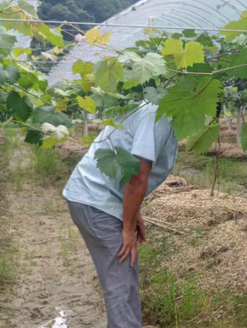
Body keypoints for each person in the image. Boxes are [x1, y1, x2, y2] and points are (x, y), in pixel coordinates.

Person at [62, 102, 177, 328]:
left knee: (123, 282)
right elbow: (137, 176)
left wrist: (133, 214)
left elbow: (127, 167)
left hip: (96, 197)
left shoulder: (152, 108)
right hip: (97, 201)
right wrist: (127, 227)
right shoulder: (158, 115)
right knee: (121, 288)